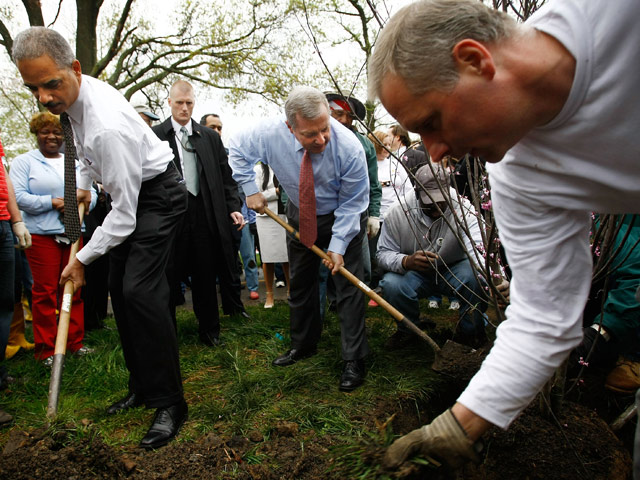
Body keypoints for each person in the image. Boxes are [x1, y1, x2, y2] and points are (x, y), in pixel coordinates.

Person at [367, 0, 640, 470]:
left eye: (430, 122)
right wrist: (459, 425)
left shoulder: (617, 18)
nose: (436, 151)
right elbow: (543, 314)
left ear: (475, 61)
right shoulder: (520, 174)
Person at [13, 27, 188, 449]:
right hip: (126, 196)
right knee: (119, 289)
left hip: (158, 197)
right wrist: (85, 184)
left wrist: (81, 259)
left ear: (74, 69)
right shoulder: (73, 102)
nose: (44, 98)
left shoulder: (109, 126)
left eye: (51, 84)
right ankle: (142, 386)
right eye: (33, 88)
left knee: (140, 291)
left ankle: (170, 401)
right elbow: (80, 153)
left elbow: (125, 217)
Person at [229, 86, 370, 391]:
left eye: (325, 129)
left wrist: (338, 246)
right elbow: (237, 150)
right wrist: (250, 190)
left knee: (348, 288)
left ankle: (353, 358)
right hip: (301, 212)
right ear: (289, 126)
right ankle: (303, 344)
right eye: (310, 134)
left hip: (342, 215)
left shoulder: (349, 148)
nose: (321, 139)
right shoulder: (267, 134)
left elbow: (354, 203)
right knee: (302, 283)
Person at [153, 80, 246, 347]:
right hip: (170, 218)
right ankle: (166, 335)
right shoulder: (155, 136)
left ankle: (210, 332)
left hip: (204, 215)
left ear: (194, 103)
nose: (184, 108)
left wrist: (233, 208)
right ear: (169, 102)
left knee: (205, 275)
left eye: (189, 103)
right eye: (179, 102)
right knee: (168, 278)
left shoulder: (209, 137)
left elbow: (226, 178)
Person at [377, 164, 504, 349]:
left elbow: (479, 248)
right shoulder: (398, 212)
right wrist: (406, 261)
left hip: (454, 268)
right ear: (417, 192)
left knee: (475, 278)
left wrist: (493, 280)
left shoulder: (463, 208)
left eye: (441, 201)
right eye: (430, 203)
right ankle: (409, 329)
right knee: (390, 284)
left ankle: (470, 332)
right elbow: (382, 253)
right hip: (414, 272)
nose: (436, 208)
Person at [9, 111, 97, 365]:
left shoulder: (74, 161)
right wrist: (53, 202)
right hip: (41, 235)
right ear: (37, 134)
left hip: (72, 233)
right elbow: (20, 197)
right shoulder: (25, 162)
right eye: (46, 132)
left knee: (73, 288)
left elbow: (89, 189)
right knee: (45, 292)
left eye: (57, 132)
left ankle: (74, 342)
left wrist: (82, 198)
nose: (52, 136)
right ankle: (46, 349)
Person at [0, 145, 31, 426]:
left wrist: (17, 220)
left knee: (6, 301)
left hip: (3, 222)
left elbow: (3, 175)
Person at [254, 163, 290, 308]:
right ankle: (269, 295)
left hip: (285, 216)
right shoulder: (258, 169)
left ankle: (290, 291)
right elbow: (256, 195)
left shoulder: (284, 165)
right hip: (266, 217)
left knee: (286, 256)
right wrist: (275, 192)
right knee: (268, 258)